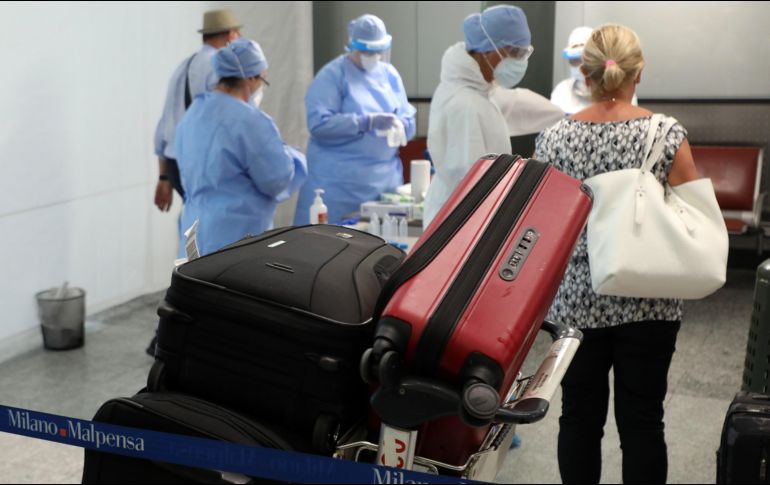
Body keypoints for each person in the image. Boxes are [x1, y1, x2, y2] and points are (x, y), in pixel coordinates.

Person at [533, 24, 700, 484]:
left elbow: (543, 223)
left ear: (583, 75)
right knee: (644, 420)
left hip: (576, 303)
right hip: (649, 296)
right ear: (638, 73)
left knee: (578, 419)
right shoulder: (666, 134)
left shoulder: (553, 140)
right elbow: (693, 211)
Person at [175, 38, 307, 257]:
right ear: (252, 78)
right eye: (263, 80)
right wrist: (294, 157)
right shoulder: (250, 122)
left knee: (198, 289)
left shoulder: (192, 115)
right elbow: (276, 179)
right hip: (236, 240)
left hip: (194, 235)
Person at [293, 14, 416, 226]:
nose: (373, 56)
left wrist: (402, 126)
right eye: (366, 51)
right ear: (352, 46)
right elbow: (319, 125)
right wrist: (364, 122)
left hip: (383, 185)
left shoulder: (389, 75)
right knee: (331, 248)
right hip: (338, 185)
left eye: (377, 51)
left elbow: (408, 118)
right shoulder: (333, 75)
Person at [422, 5, 533, 228]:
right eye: (514, 53)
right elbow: (471, 185)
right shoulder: (464, 103)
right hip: (460, 224)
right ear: (488, 50)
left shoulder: (478, 91)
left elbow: (518, 104)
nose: (520, 61)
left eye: (524, 53)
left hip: (468, 217)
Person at [153, 9, 242, 212]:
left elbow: (164, 126)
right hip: (201, 164)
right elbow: (233, 117)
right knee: (212, 227)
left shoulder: (182, 67)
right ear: (231, 35)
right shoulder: (222, 68)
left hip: (175, 164)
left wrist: (164, 177)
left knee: (194, 220)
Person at [551, 26, 637, 115]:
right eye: (575, 60)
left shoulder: (622, 94)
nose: (580, 66)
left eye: (585, 61)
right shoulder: (561, 92)